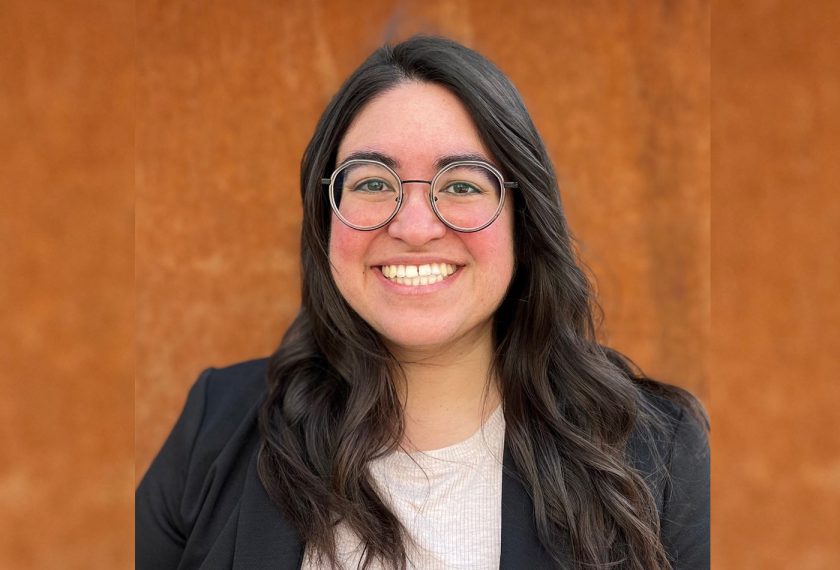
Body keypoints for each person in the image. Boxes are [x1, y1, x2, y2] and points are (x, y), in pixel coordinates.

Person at [136, 36, 709, 570]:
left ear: (524, 219)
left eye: (461, 185)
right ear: (325, 218)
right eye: (371, 183)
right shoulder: (217, 424)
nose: (413, 227)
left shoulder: (657, 454)